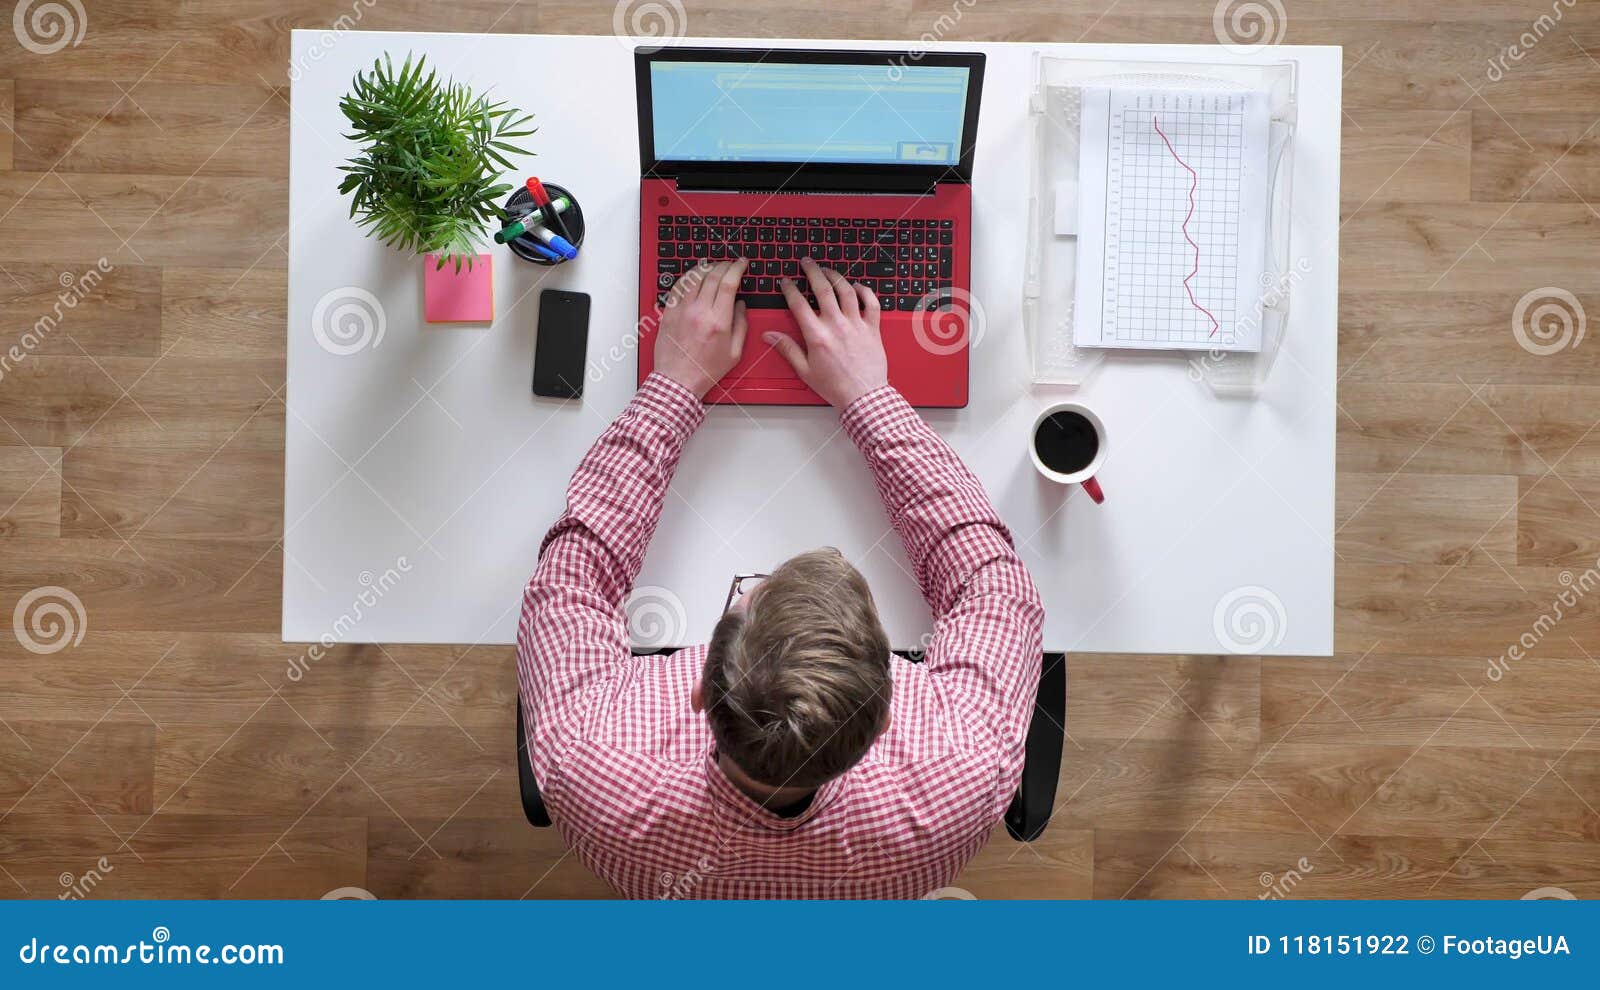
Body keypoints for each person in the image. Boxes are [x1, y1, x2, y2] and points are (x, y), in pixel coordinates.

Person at [517, 257, 1044, 898]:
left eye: (747, 596)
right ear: (883, 721)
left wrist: (674, 386)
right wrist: (868, 397)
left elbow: (574, 573)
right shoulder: (961, 774)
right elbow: (992, 582)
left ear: (698, 695)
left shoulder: (591, 769)